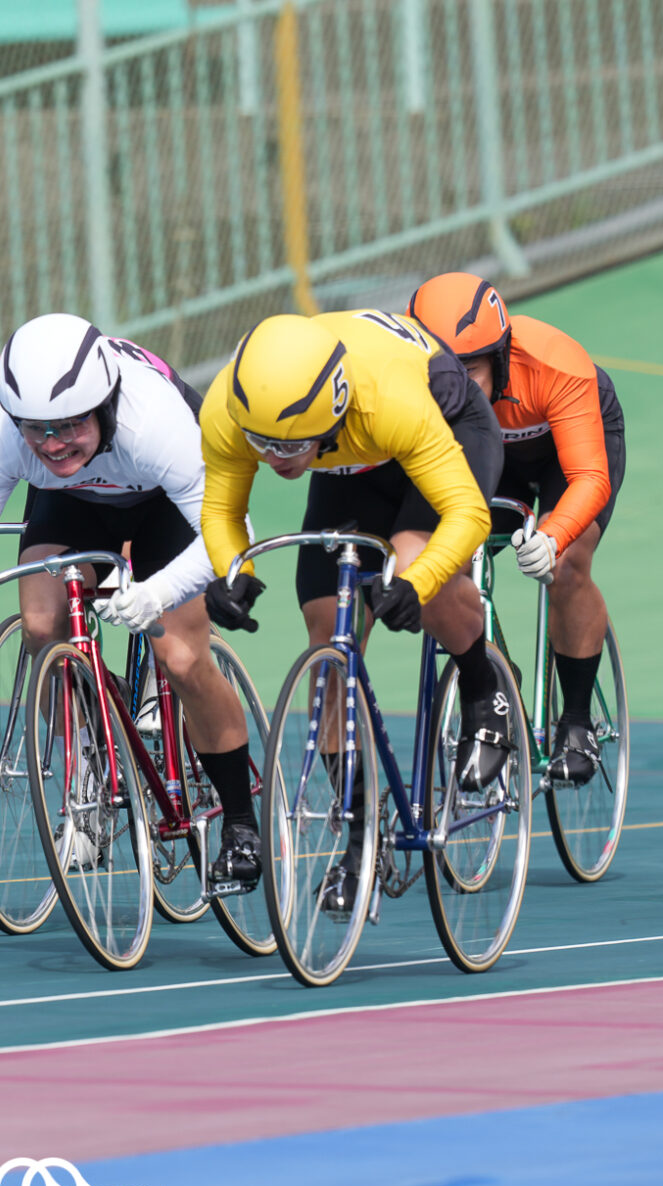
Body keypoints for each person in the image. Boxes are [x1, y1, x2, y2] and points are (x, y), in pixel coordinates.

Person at [0, 313, 266, 894]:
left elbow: (227, 532)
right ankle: (90, 743)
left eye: (68, 426)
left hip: (166, 502)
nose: (52, 443)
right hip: (75, 502)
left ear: (106, 406)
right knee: (43, 627)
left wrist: (159, 591)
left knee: (184, 658)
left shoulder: (157, 422)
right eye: (35, 430)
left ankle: (240, 823)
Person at [198, 311, 496, 913]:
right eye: (261, 445)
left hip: (438, 429)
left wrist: (418, 582)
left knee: (418, 567)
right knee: (325, 644)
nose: (274, 459)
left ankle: (483, 688)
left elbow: (469, 515)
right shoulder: (232, 409)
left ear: (328, 411)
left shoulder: (391, 398)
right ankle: (361, 840)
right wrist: (236, 572)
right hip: (344, 461)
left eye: (288, 446)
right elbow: (221, 510)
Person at [409, 272, 625, 784]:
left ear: (503, 355)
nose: (454, 390)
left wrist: (554, 536)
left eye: (472, 371)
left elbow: (589, 477)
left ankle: (575, 721)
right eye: (442, 373)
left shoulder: (554, 362)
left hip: (561, 452)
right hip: (480, 452)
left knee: (567, 564)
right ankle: (496, 685)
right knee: (446, 564)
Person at [0, 341, 202, 621]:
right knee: (46, 605)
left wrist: (126, 570)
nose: (50, 441)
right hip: (66, 481)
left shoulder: (141, 414)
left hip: (144, 449)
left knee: (170, 634)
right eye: (28, 425)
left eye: (60, 425)